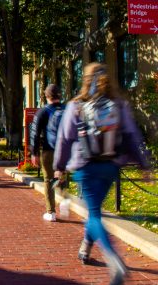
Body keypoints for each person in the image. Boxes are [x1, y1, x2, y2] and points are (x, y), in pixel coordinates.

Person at [53, 63, 150, 285]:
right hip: (110, 166)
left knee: (94, 214)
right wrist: (144, 165)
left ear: (84, 80)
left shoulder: (76, 105)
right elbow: (132, 136)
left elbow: (65, 138)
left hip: (86, 166)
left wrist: (59, 166)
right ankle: (86, 248)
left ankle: (114, 258)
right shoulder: (118, 105)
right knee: (94, 210)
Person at [29, 84, 65, 222]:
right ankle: (64, 201)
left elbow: (35, 133)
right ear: (59, 95)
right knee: (61, 177)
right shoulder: (67, 109)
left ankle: (51, 212)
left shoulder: (43, 112)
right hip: (64, 151)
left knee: (48, 180)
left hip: (49, 150)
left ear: (46, 96)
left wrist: (34, 152)